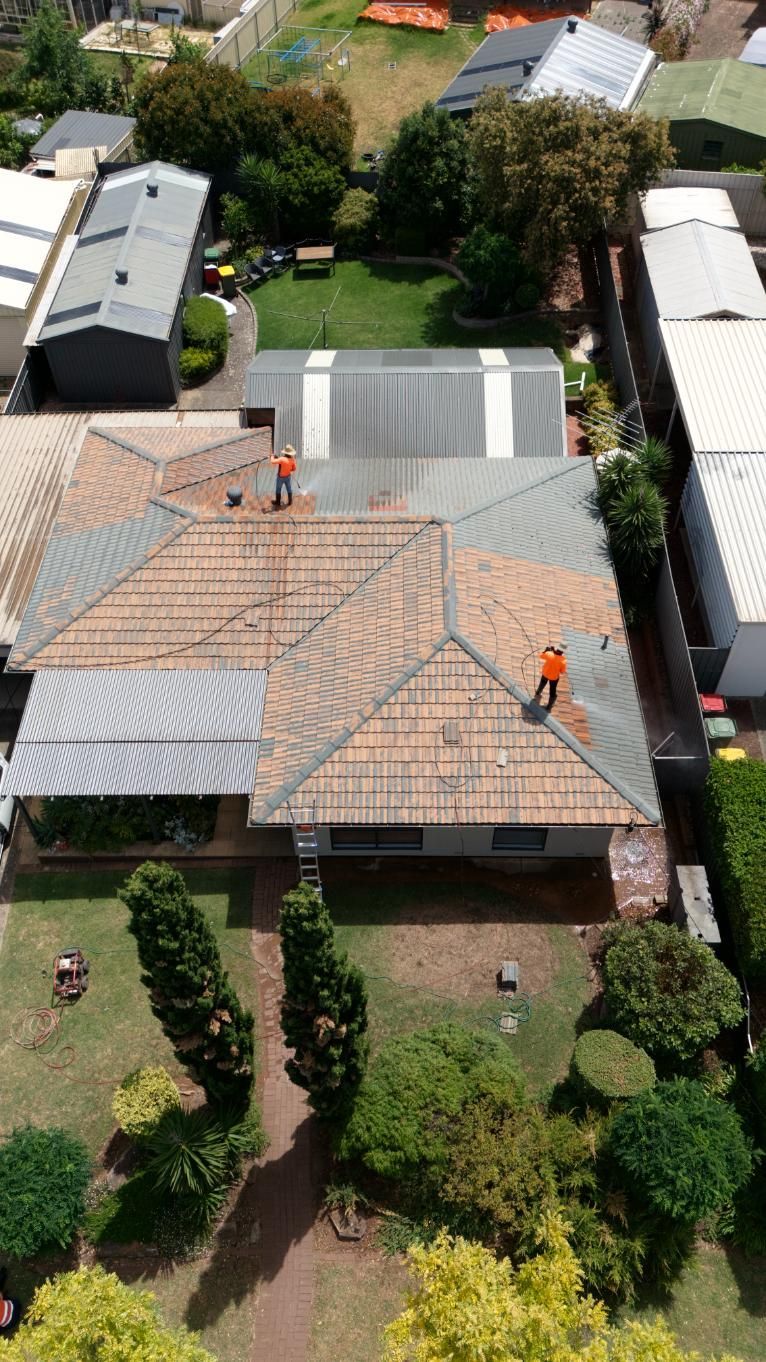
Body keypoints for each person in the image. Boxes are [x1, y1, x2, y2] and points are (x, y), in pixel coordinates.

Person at [534, 643, 567, 710]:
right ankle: (549, 706)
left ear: (557, 648)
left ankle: (538, 692)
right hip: (553, 678)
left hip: (545, 673)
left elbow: (541, 656)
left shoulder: (549, 654)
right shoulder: (563, 661)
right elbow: (562, 672)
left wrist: (546, 650)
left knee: (542, 683)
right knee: (552, 691)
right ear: (563, 652)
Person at [270, 444, 297, 508]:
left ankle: (278, 502)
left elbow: (272, 461)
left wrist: (272, 456)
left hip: (280, 478)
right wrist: (289, 469)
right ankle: (290, 501)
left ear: (285, 453)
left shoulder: (282, 459)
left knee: (278, 489)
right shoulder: (292, 460)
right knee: (289, 488)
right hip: (288, 477)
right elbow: (294, 469)